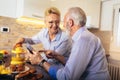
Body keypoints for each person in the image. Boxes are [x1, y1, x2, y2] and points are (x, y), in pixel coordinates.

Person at [29, 7, 110, 80]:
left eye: (64, 22)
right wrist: (56, 55)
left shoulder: (83, 40)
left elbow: (66, 77)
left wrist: (41, 61)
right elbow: (73, 63)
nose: (63, 25)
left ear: (70, 22)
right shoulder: (83, 37)